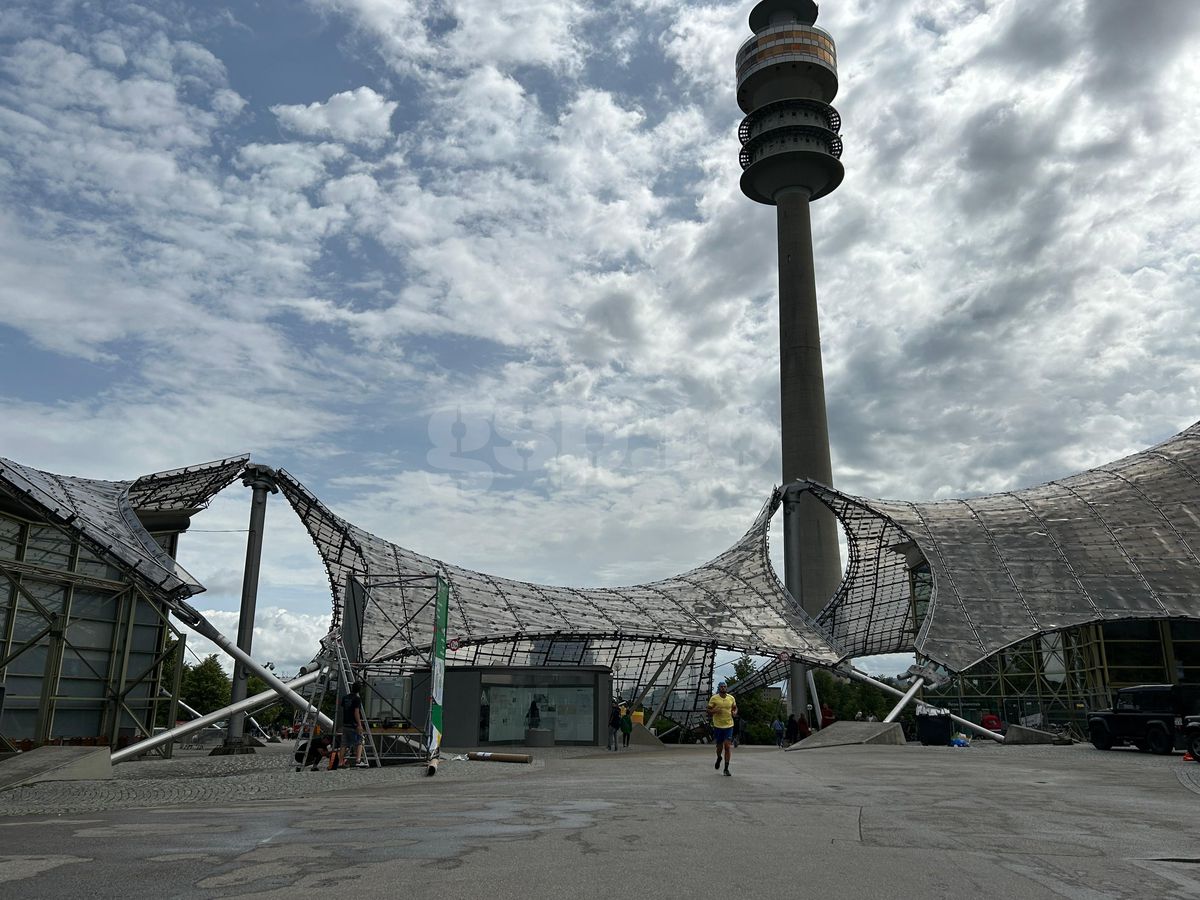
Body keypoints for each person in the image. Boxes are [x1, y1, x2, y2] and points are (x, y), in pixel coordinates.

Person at [707, 681, 738, 776]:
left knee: (727, 747)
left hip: (729, 725)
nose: (724, 688)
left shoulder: (731, 698)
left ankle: (726, 769)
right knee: (719, 747)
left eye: (725, 687)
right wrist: (713, 711)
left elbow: (735, 707)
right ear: (719, 688)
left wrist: (734, 712)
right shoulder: (714, 698)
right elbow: (708, 710)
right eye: (722, 687)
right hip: (718, 726)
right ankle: (719, 757)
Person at [340, 681, 369, 768]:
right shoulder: (357, 699)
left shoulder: (345, 698)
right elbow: (356, 712)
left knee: (344, 744)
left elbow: (344, 709)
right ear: (359, 690)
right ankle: (358, 760)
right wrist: (359, 724)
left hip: (345, 724)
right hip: (353, 725)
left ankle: (340, 762)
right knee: (359, 741)